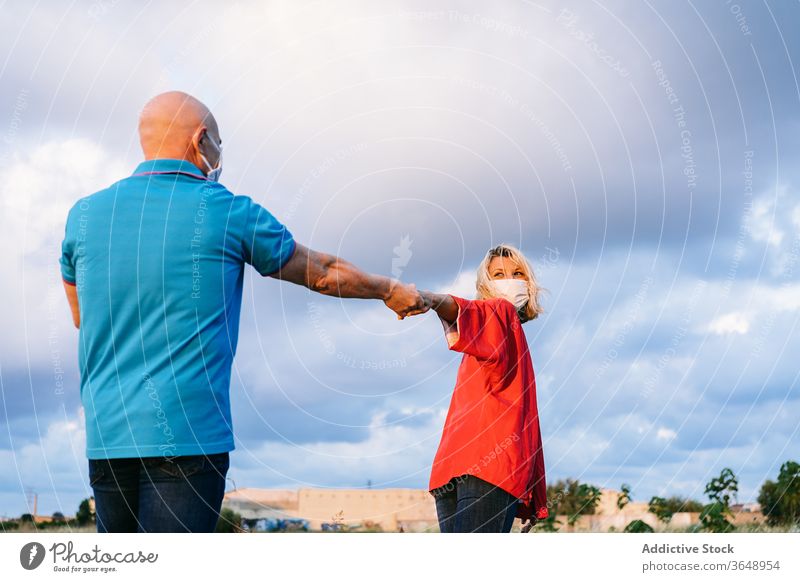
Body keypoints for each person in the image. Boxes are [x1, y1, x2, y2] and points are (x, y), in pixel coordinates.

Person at [59, 91, 427, 533]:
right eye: (218, 143)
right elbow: (323, 273)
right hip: (190, 439)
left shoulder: (83, 217)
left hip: (107, 440)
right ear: (201, 141)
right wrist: (387, 289)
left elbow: (81, 315)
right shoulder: (229, 211)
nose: (218, 154)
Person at [419, 244, 549, 532]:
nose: (510, 280)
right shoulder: (499, 312)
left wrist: (535, 492)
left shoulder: (496, 335)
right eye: (499, 275)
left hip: (449, 470)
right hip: (489, 469)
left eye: (517, 273)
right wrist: (428, 298)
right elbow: (459, 308)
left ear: (529, 283)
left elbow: (526, 422)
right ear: (486, 285)